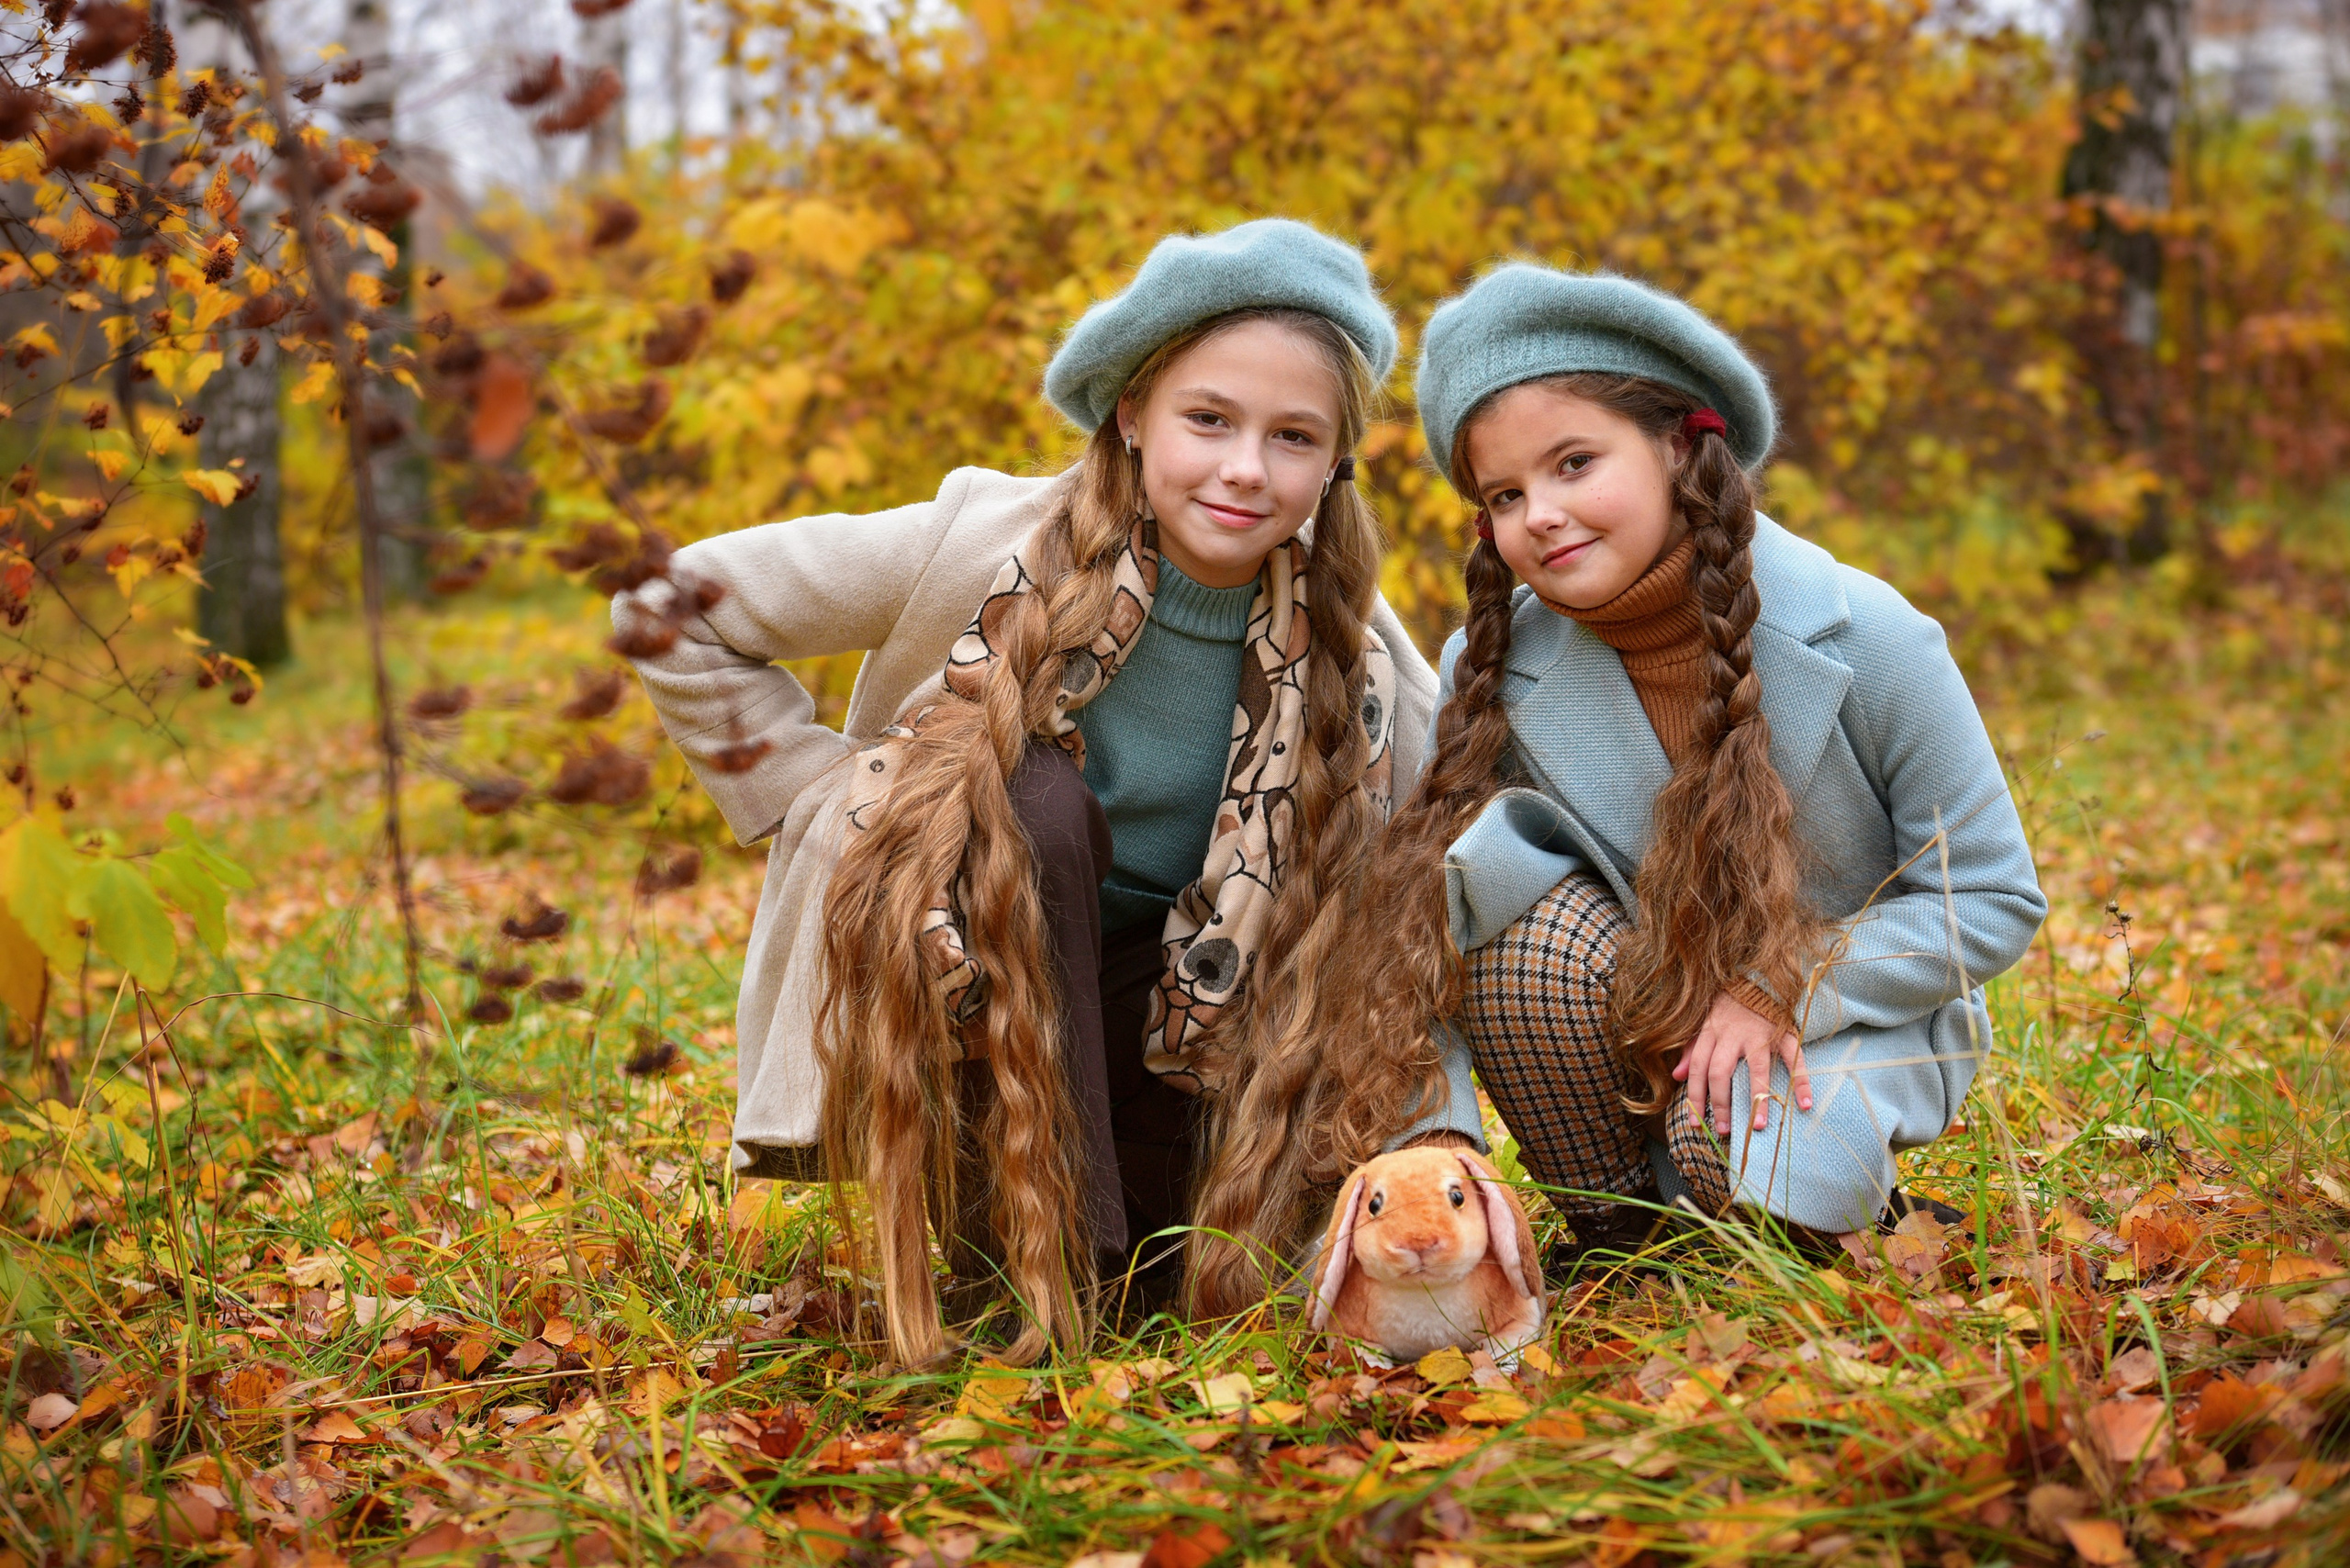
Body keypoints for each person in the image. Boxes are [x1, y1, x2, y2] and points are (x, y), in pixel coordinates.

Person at [613, 219, 1482, 1365]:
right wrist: (827, 797)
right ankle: (1053, 1253)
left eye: (1292, 437)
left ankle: (1113, 1236)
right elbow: (665, 609)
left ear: (1332, 464)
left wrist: (1441, 1136)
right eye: (1208, 419)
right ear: (1132, 414)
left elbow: (1417, 896)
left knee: (1195, 1279)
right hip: (976, 978)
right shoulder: (985, 541)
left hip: (1176, 1010)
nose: (1243, 469)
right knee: (1035, 802)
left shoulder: (1351, 653)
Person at [1212, 263, 2047, 1288]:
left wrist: (1779, 984)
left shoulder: (1868, 634)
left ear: (1675, 444)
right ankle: (1627, 1233)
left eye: (1574, 463)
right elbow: (1423, 922)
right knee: (1499, 897)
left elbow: (1993, 896)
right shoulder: (1494, 665)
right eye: (1506, 494)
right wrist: (1441, 1145)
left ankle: (1808, 1209)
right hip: (1632, 1003)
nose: (1543, 514)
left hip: (1848, 1012)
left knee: (1738, 1144)